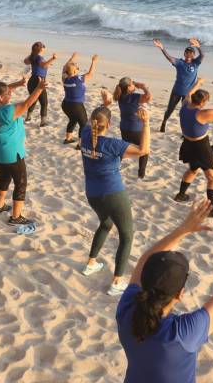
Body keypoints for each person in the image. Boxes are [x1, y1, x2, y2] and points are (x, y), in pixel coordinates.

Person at [116, 199, 213, 383]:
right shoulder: (181, 335)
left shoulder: (126, 310)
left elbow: (142, 261)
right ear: (180, 294)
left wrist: (183, 229)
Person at [80, 105, 150, 295]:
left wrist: (106, 104)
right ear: (109, 124)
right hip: (113, 194)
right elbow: (144, 150)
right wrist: (146, 123)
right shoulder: (112, 144)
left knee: (105, 223)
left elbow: (90, 122)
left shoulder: (86, 135)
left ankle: (91, 263)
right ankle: (117, 282)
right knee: (126, 235)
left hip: (93, 194)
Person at [0, 76, 47, 225]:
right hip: (10, 151)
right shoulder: (6, 112)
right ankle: (16, 217)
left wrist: (17, 84)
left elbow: (0, 91)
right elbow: (27, 104)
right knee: (21, 182)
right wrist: (39, 88)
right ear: (0, 97)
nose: (10, 95)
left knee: (4, 176)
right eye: (8, 94)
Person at [153, 38, 204, 133]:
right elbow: (169, 58)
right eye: (187, 53)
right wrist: (162, 48)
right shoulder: (179, 63)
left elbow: (202, 55)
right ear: (184, 54)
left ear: (193, 55)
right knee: (170, 110)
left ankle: (185, 131)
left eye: (191, 53)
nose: (189, 55)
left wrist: (198, 47)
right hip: (177, 91)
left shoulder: (196, 63)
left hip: (188, 94)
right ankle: (164, 122)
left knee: (186, 113)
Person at [113, 77, 152, 179]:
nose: (134, 84)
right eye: (132, 84)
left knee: (124, 149)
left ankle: (113, 166)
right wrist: (144, 87)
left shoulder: (120, 95)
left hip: (124, 127)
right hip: (135, 129)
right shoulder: (133, 97)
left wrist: (134, 85)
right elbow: (149, 97)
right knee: (145, 150)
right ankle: (141, 174)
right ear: (128, 87)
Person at [60, 52, 98, 145]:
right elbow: (91, 73)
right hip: (76, 105)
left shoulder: (64, 78)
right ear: (73, 71)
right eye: (77, 68)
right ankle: (80, 144)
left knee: (73, 119)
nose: (78, 69)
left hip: (65, 104)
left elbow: (64, 67)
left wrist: (72, 58)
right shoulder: (79, 79)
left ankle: (68, 139)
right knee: (84, 124)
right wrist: (94, 62)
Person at [23, 42, 57, 126]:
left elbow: (25, 61)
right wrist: (53, 58)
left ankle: (28, 118)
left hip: (32, 81)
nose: (44, 50)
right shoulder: (38, 58)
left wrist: (47, 62)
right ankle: (43, 122)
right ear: (41, 49)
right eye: (43, 49)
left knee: (33, 99)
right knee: (44, 102)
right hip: (39, 81)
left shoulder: (33, 57)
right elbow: (43, 65)